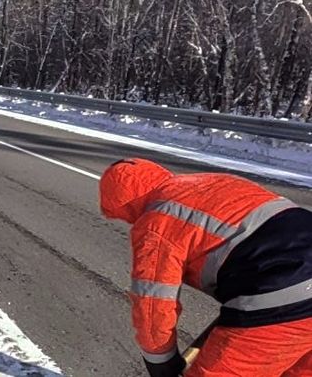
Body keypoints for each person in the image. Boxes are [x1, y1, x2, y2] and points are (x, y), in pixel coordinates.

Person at [99, 158, 312, 377]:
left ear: (124, 205)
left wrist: (161, 363)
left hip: (285, 293)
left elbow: (153, 305)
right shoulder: (213, 181)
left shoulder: (156, 222)